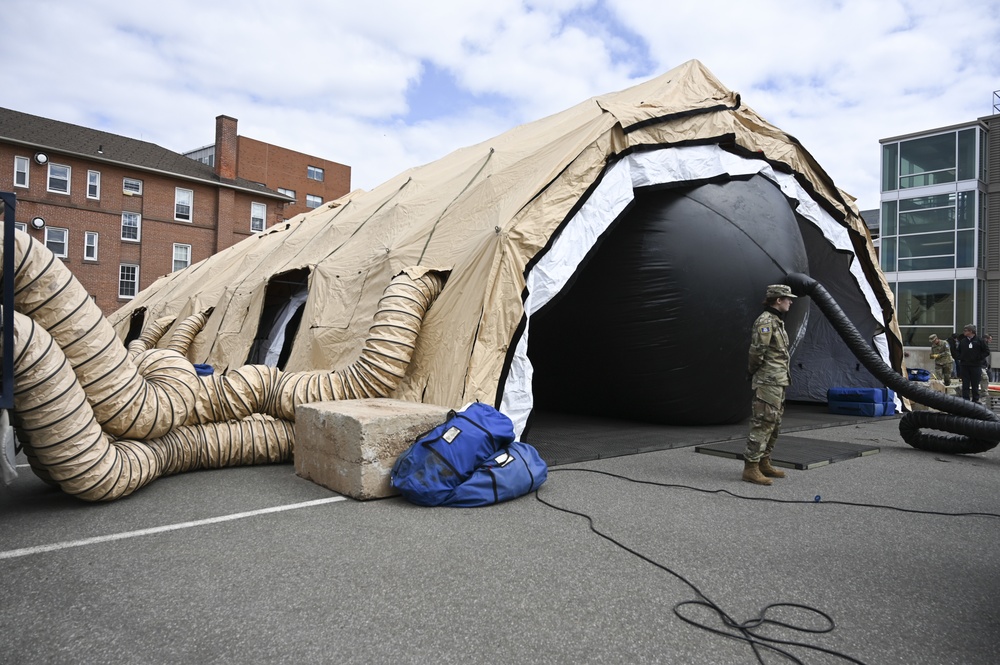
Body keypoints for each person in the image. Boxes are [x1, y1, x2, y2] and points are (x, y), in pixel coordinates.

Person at [743, 283, 796, 485]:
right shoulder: (765, 321)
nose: (790, 302)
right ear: (778, 300)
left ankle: (764, 462)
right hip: (768, 381)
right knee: (763, 423)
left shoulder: (776, 321)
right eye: (788, 298)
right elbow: (757, 351)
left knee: (774, 424)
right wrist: (753, 372)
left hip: (778, 381)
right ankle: (751, 467)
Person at [956, 324, 990, 404]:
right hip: (964, 365)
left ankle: (975, 399)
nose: (964, 332)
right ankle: (965, 400)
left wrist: (979, 358)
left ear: (971, 331)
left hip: (976, 365)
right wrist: (960, 357)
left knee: (975, 384)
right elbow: (958, 351)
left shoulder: (979, 340)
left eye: (966, 330)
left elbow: (986, 351)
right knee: (965, 384)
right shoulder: (963, 341)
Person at [980, 333, 993, 406]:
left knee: (986, 378)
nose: (990, 341)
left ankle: (984, 392)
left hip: (984, 365)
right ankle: (984, 394)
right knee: (984, 378)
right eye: (990, 339)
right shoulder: (982, 344)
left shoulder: (985, 345)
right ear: (986, 339)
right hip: (979, 364)